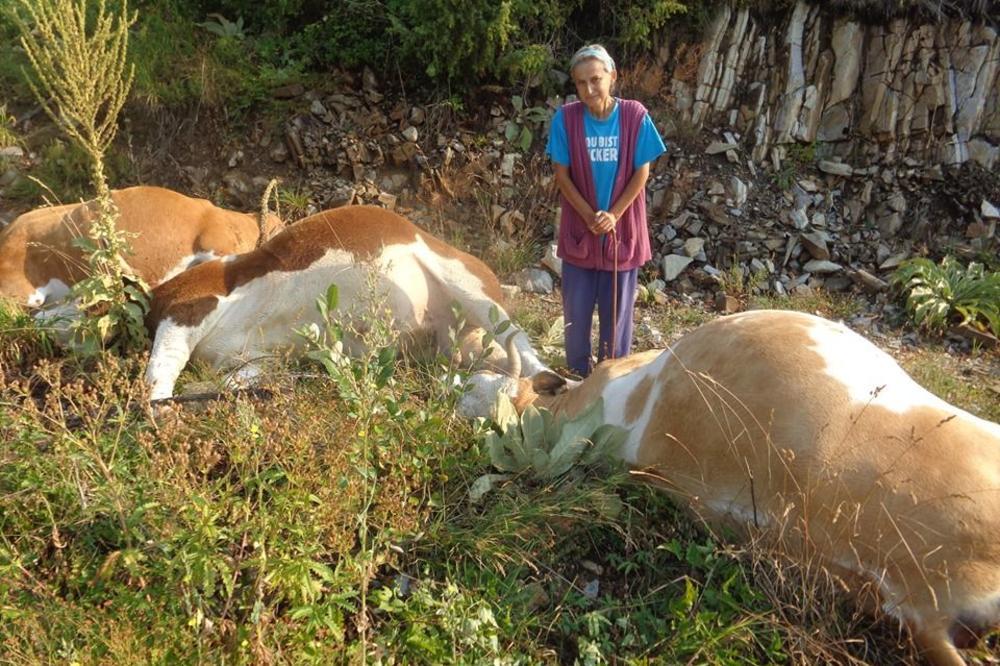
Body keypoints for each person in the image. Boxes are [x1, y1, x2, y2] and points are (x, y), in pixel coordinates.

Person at [545, 44, 666, 377]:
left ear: (612, 76)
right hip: (580, 233)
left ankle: (610, 386)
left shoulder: (634, 116)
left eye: (595, 79)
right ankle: (576, 383)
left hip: (621, 235)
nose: (589, 89)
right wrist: (588, 215)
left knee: (617, 324)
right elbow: (562, 174)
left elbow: (642, 170)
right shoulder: (565, 120)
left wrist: (614, 214)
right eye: (581, 83)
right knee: (576, 316)